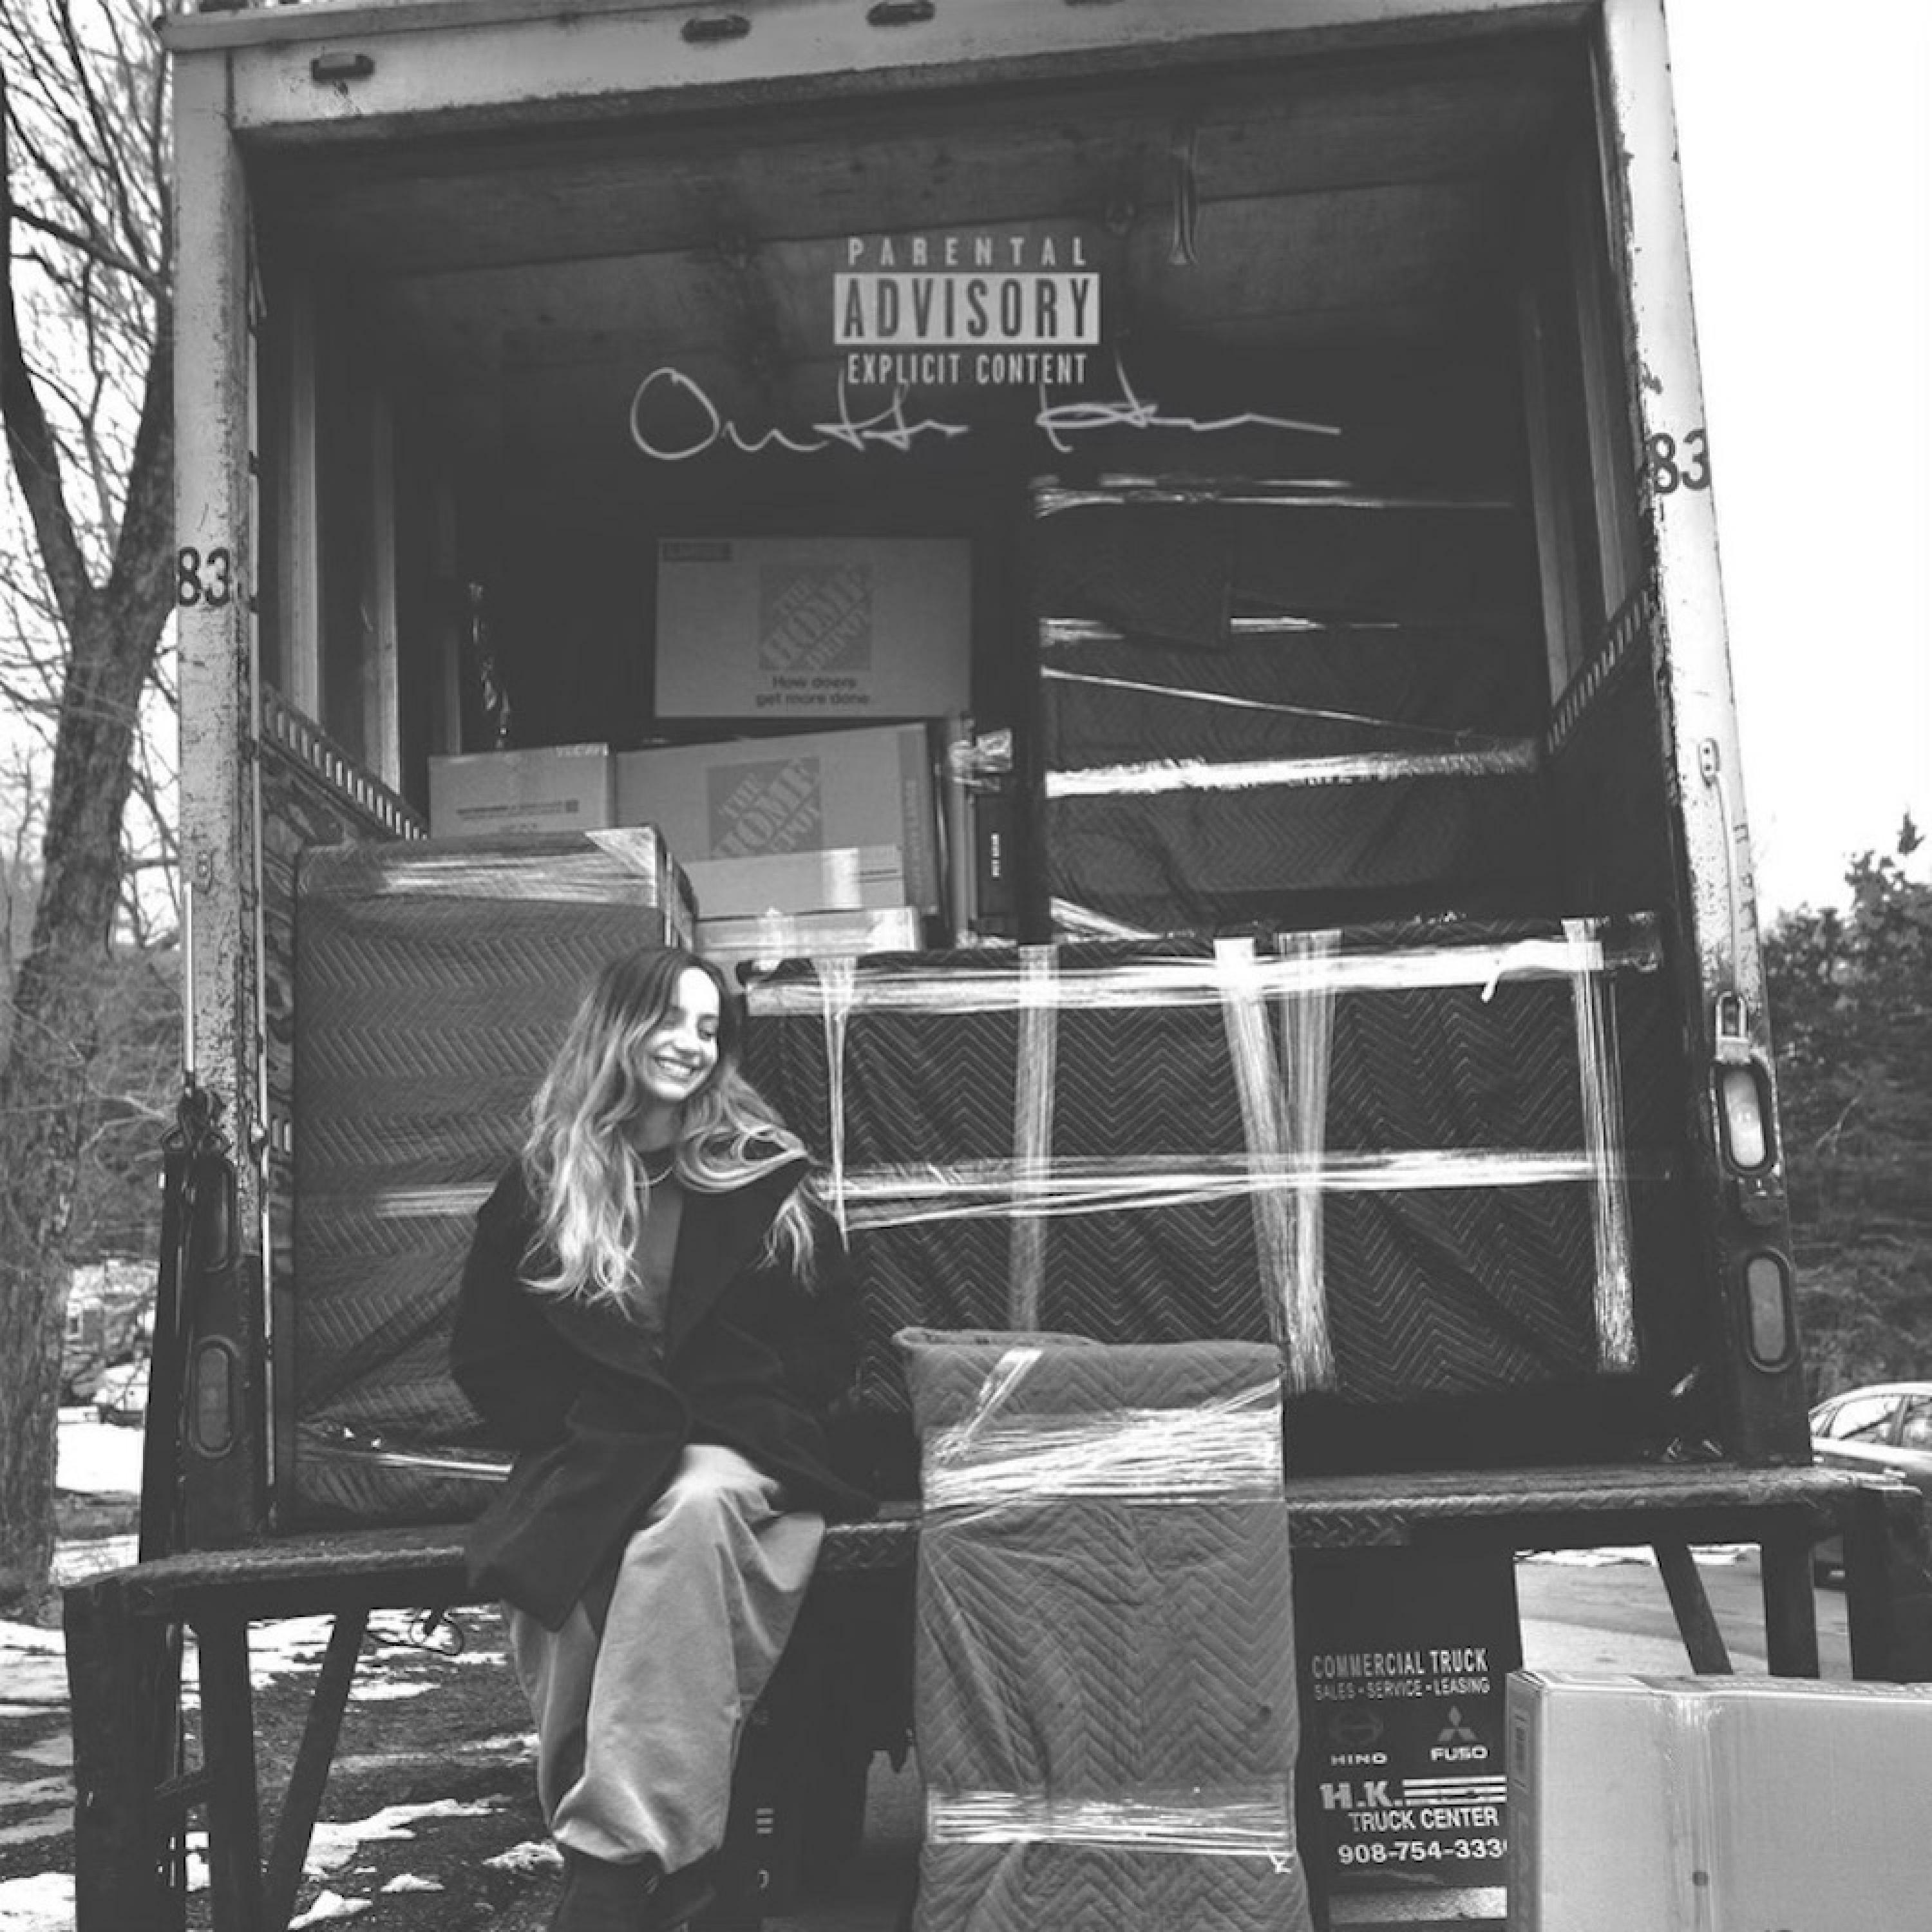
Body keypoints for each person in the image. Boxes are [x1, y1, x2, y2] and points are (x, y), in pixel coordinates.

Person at [451, 945, 874, 1932]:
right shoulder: (546, 1185)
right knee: (563, 1571)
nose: (692, 1044)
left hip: (740, 1445)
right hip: (603, 1444)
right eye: (672, 1020)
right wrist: (589, 1426)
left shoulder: (760, 1172)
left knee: (691, 1509)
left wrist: (743, 1407)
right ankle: (672, 1875)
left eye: (709, 1028)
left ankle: (608, 1869)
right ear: (618, 1031)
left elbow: (830, 1339)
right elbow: (489, 1356)